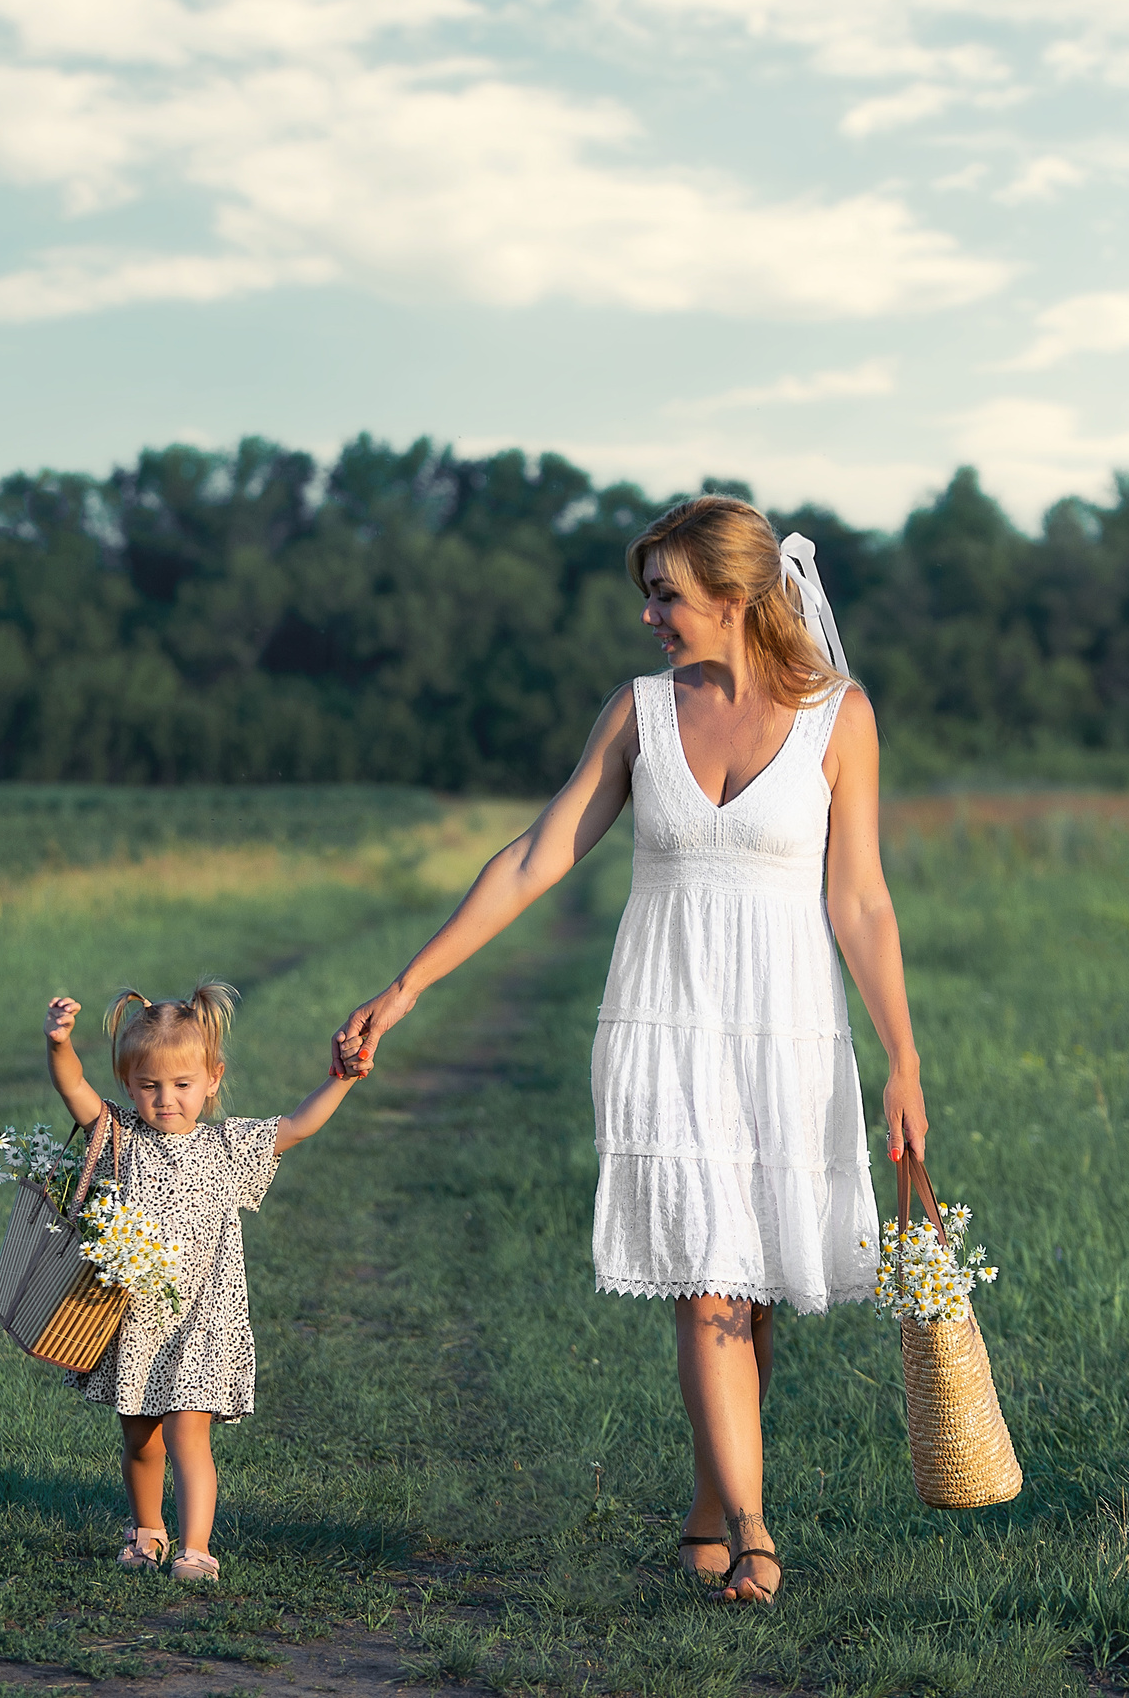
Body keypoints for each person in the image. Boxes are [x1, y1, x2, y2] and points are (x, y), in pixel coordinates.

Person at [333, 495, 928, 1607]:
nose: (649, 615)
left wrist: (901, 1055)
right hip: (667, 1018)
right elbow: (537, 852)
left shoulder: (840, 718)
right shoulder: (639, 712)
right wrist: (408, 984)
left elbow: (861, 900)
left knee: (749, 1289)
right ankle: (753, 1530)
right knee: (706, 1269)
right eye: (647, 592)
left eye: (666, 593)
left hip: (788, 1024)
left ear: (737, 598)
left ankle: (709, 1500)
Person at [42, 980, 367, 1582]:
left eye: (182, 1085)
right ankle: (147, 1535)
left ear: (212, 1078)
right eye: (149, 1086)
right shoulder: (119, 1138)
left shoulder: (226, 1146)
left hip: (204, 1320)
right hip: (134, 1319)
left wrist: (341, 1078)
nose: (166, 1100)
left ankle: (196, 1548)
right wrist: (59, 1043)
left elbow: (298, 1126)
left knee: (188, 1433)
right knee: (140, 1435)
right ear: (129, 1084)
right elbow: (72, 1088)